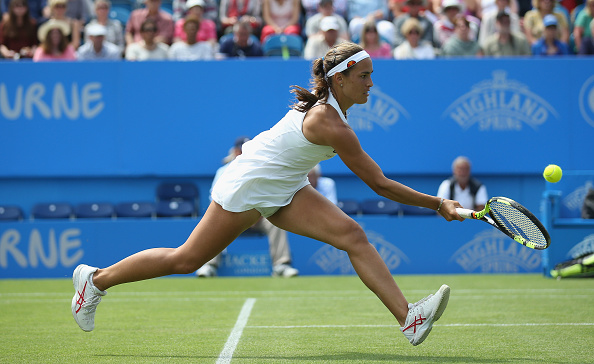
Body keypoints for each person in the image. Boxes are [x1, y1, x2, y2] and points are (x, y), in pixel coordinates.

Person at [71, 42, 463, 347]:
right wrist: (438, 203)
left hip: (285, 186)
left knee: (353, 237)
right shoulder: (331, 124)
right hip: (250, 185)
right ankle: (96, 281)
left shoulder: (333, 111)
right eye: (364, 75)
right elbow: (378, 183)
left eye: (371, 74)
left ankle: (408, 319)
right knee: (186, 258)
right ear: (340, 79)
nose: (371, 83)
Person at [196, 136, 300, 278]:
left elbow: (270, 196)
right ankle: (209, 265)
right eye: (241, 149)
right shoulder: (223, 171)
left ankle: (281, 265)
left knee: (275, 223)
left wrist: (259, 213)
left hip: (259, 217)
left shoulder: (262, 168)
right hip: (231, 217)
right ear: (236, 151)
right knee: (215, 224)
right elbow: (216, 200)